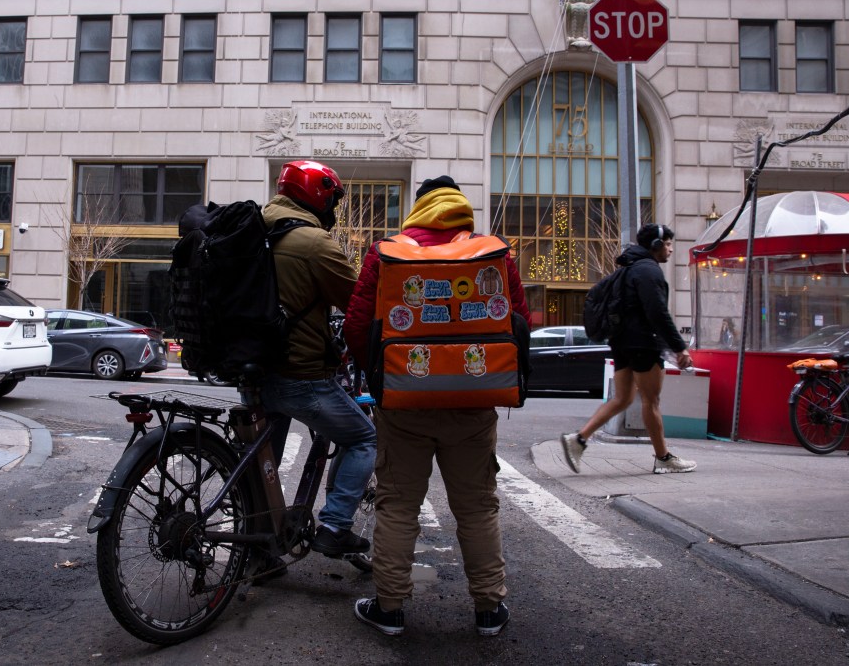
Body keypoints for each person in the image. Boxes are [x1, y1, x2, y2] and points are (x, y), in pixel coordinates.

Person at [343, 175, 532, 637]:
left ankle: (389, 609)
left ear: (418, 207)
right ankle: (489, 608)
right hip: (473, 401)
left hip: (404, 401)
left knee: (397, 504)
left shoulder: (387, 253)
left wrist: (381, 377)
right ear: (461, 208)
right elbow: (521, 323)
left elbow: (355, 326)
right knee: (477, 506)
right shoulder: (493, 253)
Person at [259, 160, 378, 563]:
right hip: (301, 373)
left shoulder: (253, 229)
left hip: (253, 370)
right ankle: (334, 527)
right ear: (318, 196)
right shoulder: (314, 243)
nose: (334, 209)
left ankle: (260, 550)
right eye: (333, 200)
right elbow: (361, 304)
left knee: (264, 464)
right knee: (364, 438)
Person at [561, 223, 697, 476]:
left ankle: (578, 440)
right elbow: (657, 312)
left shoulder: (629, 269)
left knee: (622, 398)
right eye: (667, 244)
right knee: (651, 401)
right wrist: (680, 347)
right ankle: (663, 458)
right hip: (642, 343)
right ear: (655, 246)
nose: (670, 249)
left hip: (622, 342)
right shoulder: (648, 271)